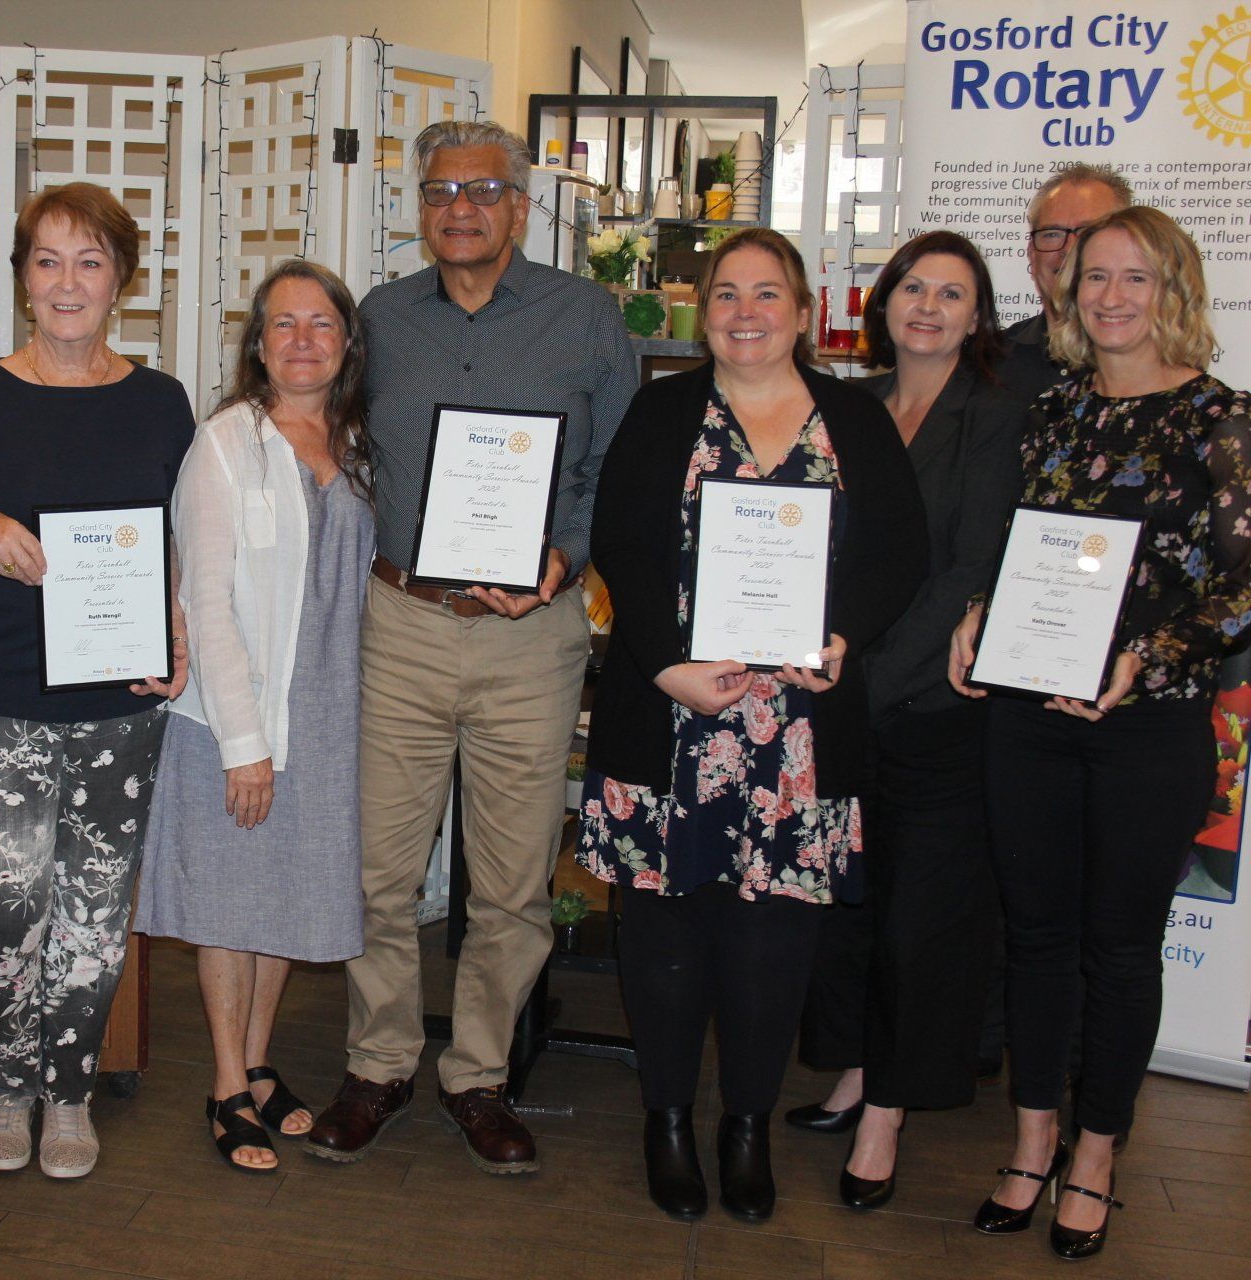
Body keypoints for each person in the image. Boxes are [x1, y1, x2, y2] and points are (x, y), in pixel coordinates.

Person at [304, 119, 637, 1178]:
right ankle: (381, 1060)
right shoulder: (381, 319)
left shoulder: (587, 317)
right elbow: (328, 440)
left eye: (483, 190)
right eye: (441, 191)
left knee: (510, 882)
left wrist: (566, 555)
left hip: (532, 637)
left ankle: (478, 1072)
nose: (460, 208)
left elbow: (620, 471)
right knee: (378, 872)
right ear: (421, 205)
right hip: (401, 623)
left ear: (520, 206)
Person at [576, 228, 926, 1222]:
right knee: (666, 930)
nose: (742, 312)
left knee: (775, 939)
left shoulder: (854, 418)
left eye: (765, 293)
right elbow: (624, 546)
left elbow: (899, 550)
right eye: (724, 293)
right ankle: (669, 1118)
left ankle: (746, 1125)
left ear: (805, 310)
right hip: (676, 716)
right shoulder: (662, 410)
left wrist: (844, 634)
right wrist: (667, 666)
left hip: (802, 734)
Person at [950, 206, 1250, 1260]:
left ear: (1175, 289)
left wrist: (1150, 660)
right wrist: (980, 617)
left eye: (1135, 277)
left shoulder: (1225, 420)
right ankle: (1032, 1139)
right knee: (1032, 937)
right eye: (1094, 279)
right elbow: (1025, 546)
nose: (1112, 296)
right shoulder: (1056, 411)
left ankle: (1098, 1150)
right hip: (1028, 715)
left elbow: (1242, 589)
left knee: (1119, 949)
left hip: (1149, 725)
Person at [0, 182, 194, 1180]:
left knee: (94, 907)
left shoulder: (160, 402)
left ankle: (70, 1087)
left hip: (119, 704)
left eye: (89, 261)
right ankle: (4, 1085)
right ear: (24, 280)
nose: (68, 281)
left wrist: (179, 625)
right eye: (47, 260)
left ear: (121, 279)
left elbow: (178, 547)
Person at [778, 232, 1025, 1210]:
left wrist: (869, 676)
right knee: (848, 907)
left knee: (921, 921)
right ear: (883, 302)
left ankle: (890, 1106)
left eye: (952, 292)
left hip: (931, 708)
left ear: (978, 315)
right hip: (840, 690)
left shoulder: (996, 416)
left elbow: (973, 565)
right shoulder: (855, 404)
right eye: (914, 287)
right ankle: (853, 1067)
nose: (928, 305)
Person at [136, 259, 375, 1173]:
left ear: (347, 343)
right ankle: (227, 1084)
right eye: (284, 324)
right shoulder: (226, 443)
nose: (304, 340)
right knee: (233, 904)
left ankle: (263, 1062)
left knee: (287, 896)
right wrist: (245, 745)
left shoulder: (360, 445)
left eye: (322, 324)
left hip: (331, 711)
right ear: (258, 344)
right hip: (238, 718)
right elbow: (206, 598)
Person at [999, 164, 1133, 411]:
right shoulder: (990, 361)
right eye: (1051, 234)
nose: (1068, 249)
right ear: (1031, 253)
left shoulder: (1155, 367)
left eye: (1088, 232)